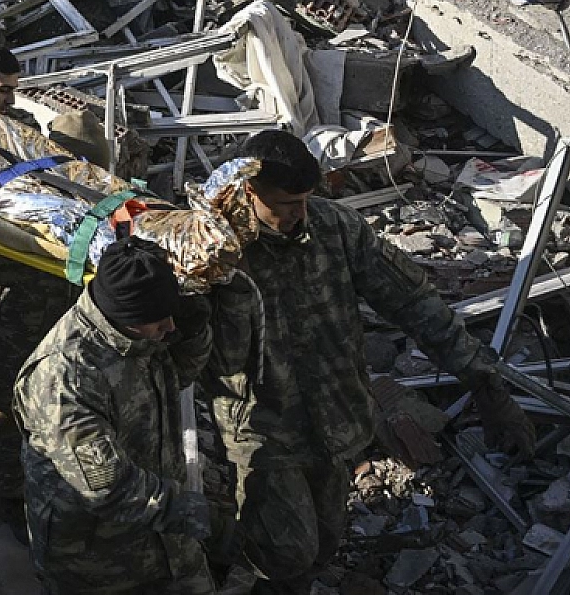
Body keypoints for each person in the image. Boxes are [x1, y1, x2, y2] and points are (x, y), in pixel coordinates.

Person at [210, 130, 534, 593]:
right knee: (285, 556)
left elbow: (414, 303)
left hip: (338, 421)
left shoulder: (334, 229)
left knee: (322, 543)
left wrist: (486, 385)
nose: (300, 215)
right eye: (285, 204)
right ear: (249, 192)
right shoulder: (214, 254)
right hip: (264, 433)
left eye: (306, 199)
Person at [0, 45, 103, 534]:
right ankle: (11, 500)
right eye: (3, 89)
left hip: (47, 314)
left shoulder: (22, 134)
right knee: (0, 411)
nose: (10, 98)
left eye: (16, 90)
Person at [14, 239, 223, 595]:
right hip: (97, 558)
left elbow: (177, 379)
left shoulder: (135, 333)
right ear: (124, 316)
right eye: (159, 320)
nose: (169, 326)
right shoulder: (65, 378)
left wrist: (195, 334)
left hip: (164, 531)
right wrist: (196, 514)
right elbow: (106, 487)